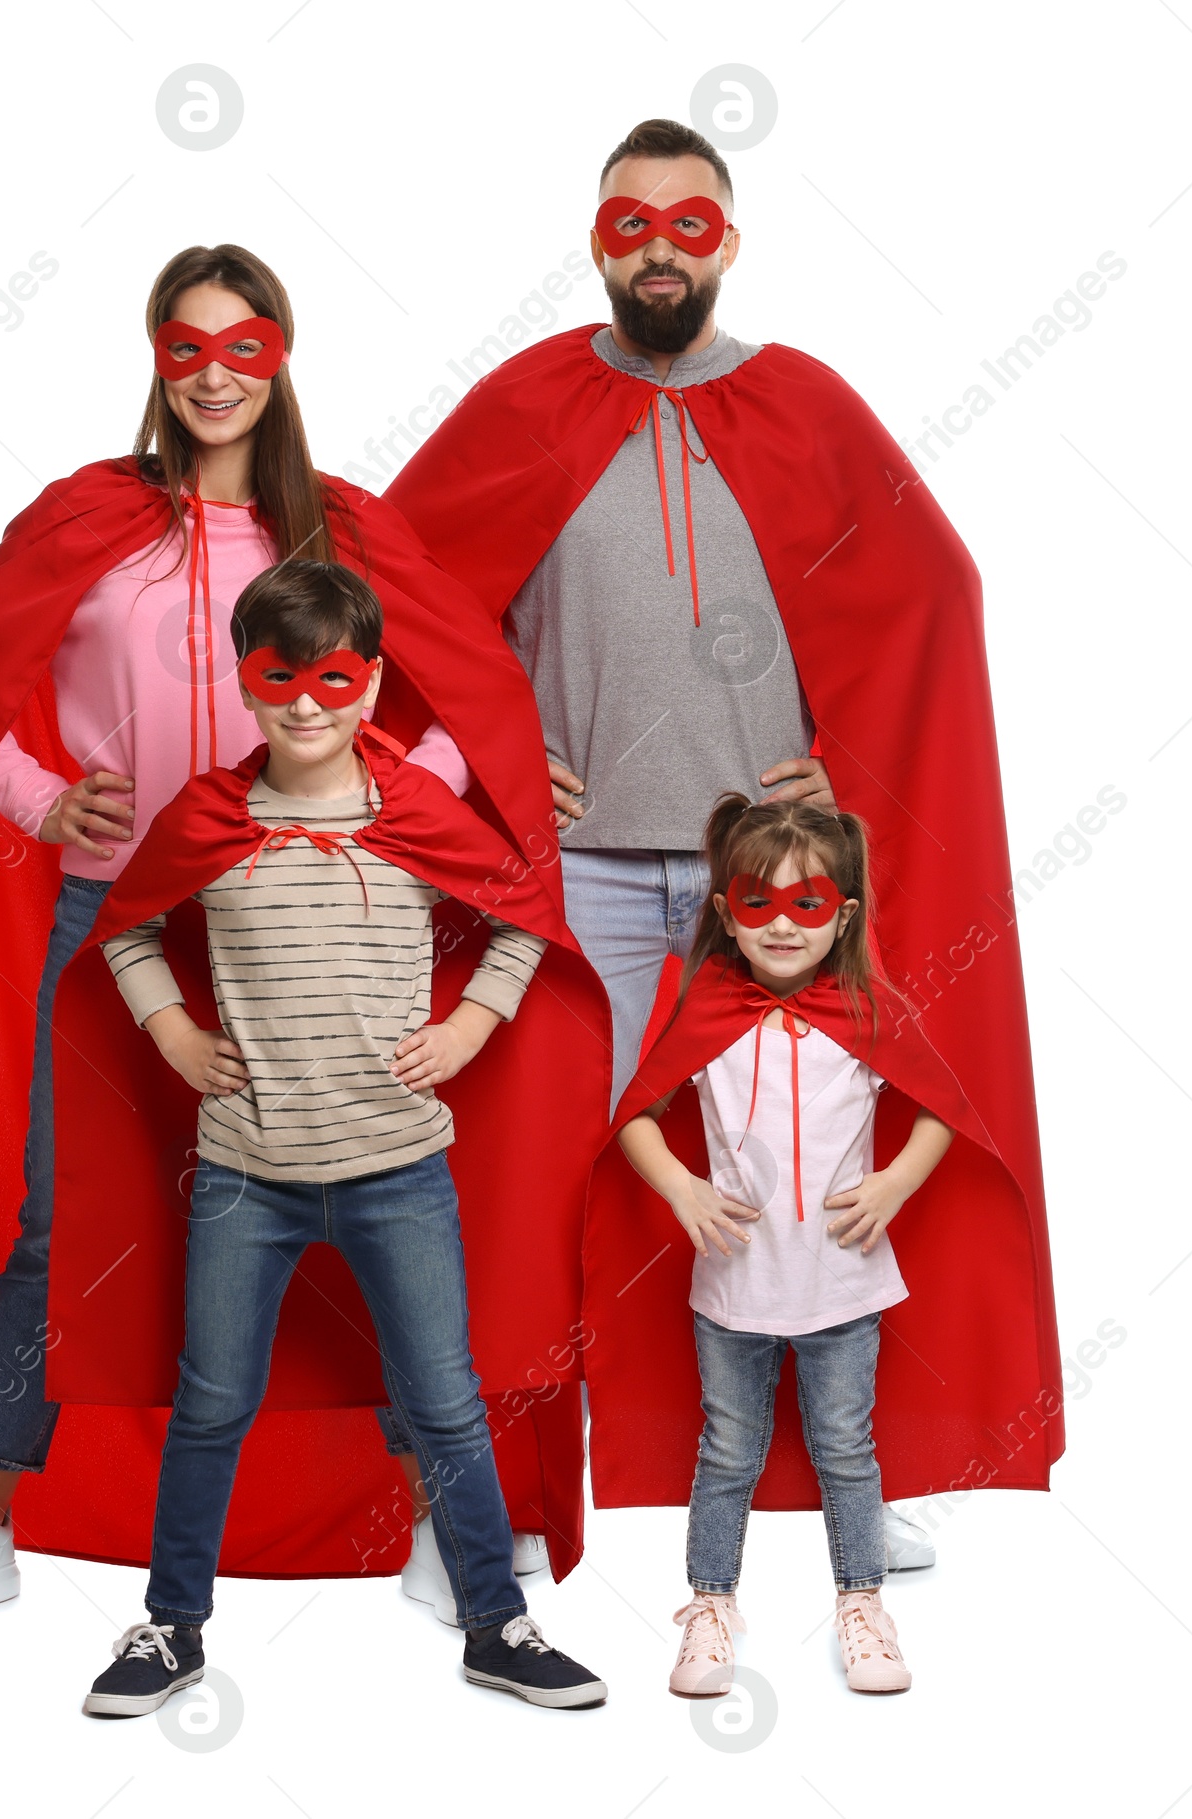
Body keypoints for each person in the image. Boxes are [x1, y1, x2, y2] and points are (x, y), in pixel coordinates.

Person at [0, 242, 609, 1630]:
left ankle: (444, 1517)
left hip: (324, 912)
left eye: (242, 346)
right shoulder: (90, 518)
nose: (213, 375)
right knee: (54, 1220)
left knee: (382, 1216)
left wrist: (437, 781)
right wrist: (41, 794)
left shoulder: (344, 531)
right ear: (153, 354)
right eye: (185, 346)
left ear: (283, 355)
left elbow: (464, 679)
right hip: (123, 911)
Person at [383, 117, 1061, 1563]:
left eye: (691, 224)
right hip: (583, 882)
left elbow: (927, 592)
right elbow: (394, 594)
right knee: (535, 1172)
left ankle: (835, 1477)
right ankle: (483, 1509)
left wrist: (847, 759)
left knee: (800, 1162)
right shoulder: (528, 402)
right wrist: (490, 747)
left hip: (769, 889)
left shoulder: (803, 404)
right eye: (632, 223)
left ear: (730, 243)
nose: (660, 248)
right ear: (598, 242)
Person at [72, 560, 607, 1714]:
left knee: (444, 1400)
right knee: (213, 1401)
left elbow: (522, 912)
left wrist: (472, 1022)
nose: (306, 705)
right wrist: (171, 1033)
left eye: (333, 679)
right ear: (245, 682)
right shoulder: (210, 815)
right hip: (244, 1177)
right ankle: (171, 1628)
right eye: (280, 680)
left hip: (398, 1169)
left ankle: (495, 1626)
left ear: (368, 688)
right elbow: (125, 928)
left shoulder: (414, 812)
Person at [614, 795, 958, 1696]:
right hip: (733, 1287)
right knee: (728, 1449)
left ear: (842, 914)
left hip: (843, 1285)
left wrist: (892, 1185)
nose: (780, 927)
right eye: (756, 904)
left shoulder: (867, 1012)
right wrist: (682, 1186)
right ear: (725, 910)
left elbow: (941, 1114)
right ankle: (711, 1605)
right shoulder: (705, 1013)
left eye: (806, 905)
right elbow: (636, 1119)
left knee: (847, 1448)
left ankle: (861, 1602)